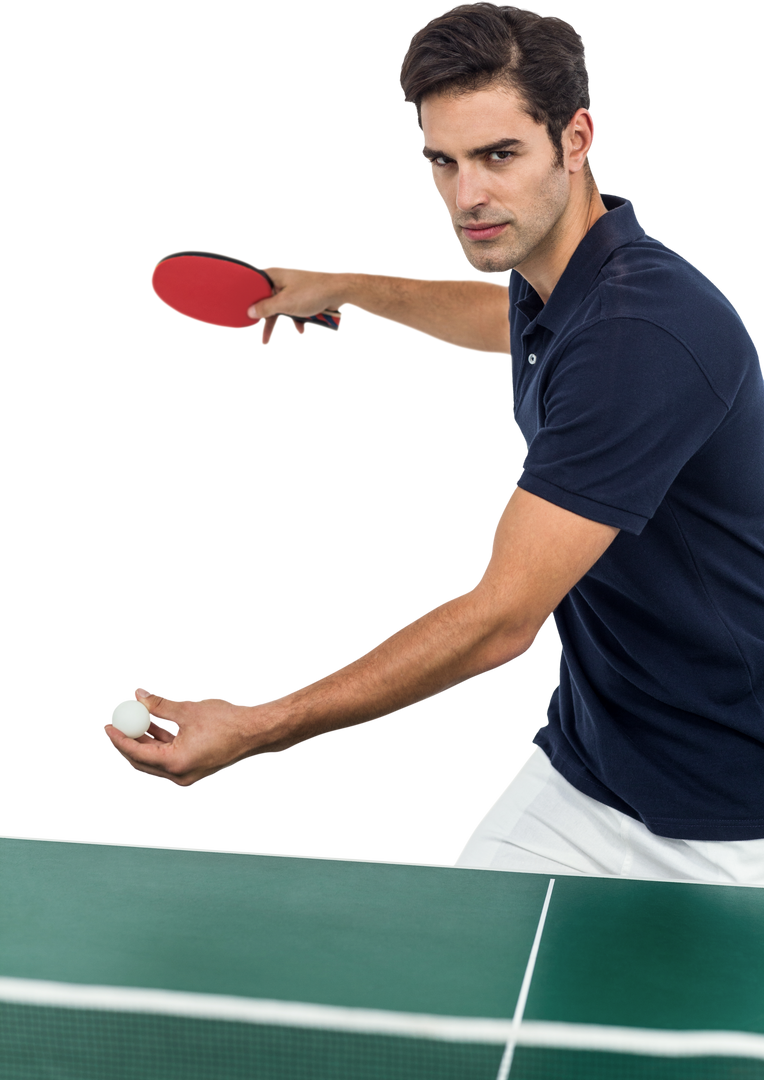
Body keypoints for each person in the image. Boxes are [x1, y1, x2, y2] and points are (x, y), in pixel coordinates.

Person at [107, 3, 763, 885]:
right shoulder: (566, 274)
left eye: (499, 156)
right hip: (591, 767)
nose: (468, 196)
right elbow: (508, 319)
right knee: (462, 1013)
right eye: (443, 162)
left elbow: (500, 622)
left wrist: (259, 728)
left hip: (732, 810)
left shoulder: (643, 336)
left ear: (576, 137)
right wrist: (354, 287)